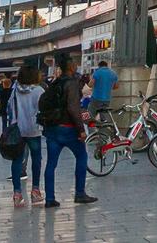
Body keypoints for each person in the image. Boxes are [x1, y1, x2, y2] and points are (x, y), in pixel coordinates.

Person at [42, 59, 97, 207]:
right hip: (68, 128)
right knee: (81, 156)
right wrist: (81, 129)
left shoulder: (55, 83)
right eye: (74, 64)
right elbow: (74, 109)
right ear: (71, 68)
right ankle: (79, 193)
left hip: (52, 128)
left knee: (51, 164)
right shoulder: (72, 83)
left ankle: (49, 198)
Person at [9, 65, 45, 207]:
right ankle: (35, 190)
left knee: (17, 160)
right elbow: (42, 109)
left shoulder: (15, 90)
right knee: (36, 159)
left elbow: (9, 108)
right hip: (34, 129)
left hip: (18, 129)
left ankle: (17, 193)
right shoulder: (39, 91)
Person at [88, 61, 118, 128]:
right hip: (107, 99)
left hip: (96, 99)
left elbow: (90, 84)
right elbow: (116, 86)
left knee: (90, 116)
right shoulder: (113, 73)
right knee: (104, 118)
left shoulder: (97, 72)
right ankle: (104, 135)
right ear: (106, 65)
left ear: (99, 66)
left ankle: (91, 133)